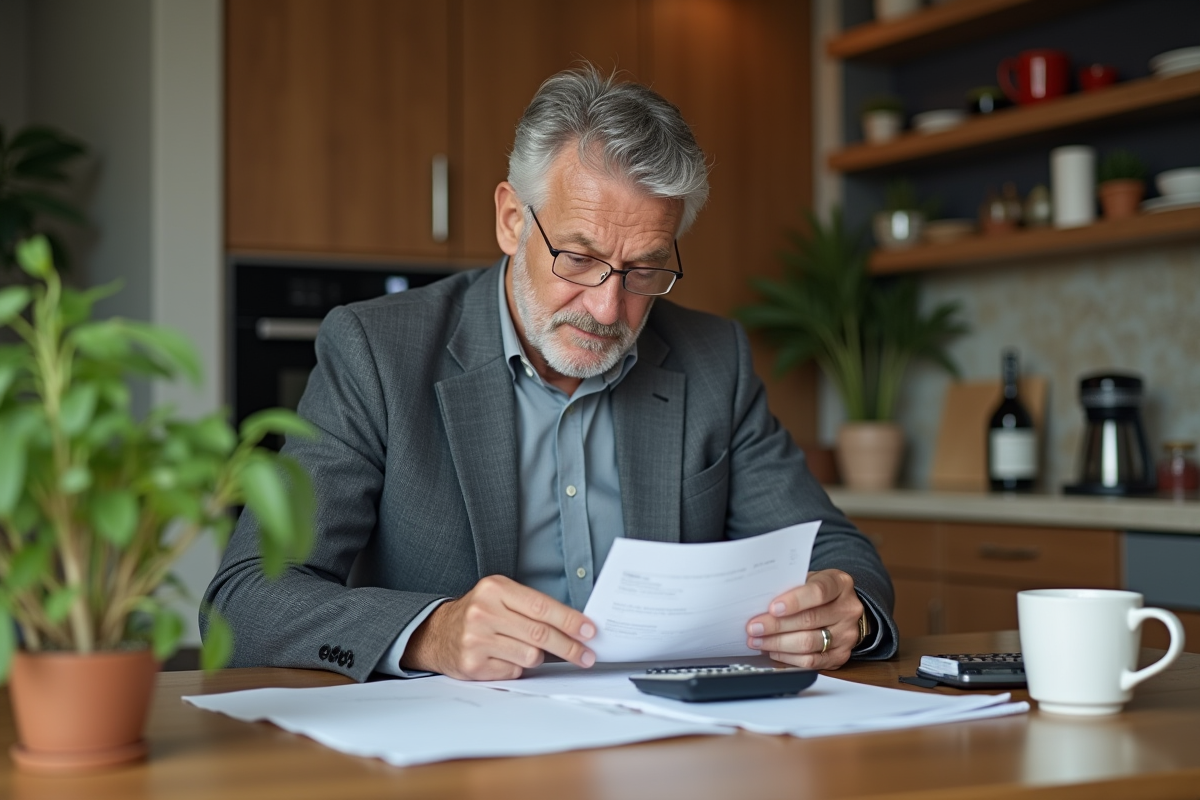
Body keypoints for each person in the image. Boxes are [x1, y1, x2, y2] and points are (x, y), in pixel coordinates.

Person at [203, 65, 897, 682]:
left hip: (669, 746)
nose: (606, 305)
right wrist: (430, 634)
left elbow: (834, 550)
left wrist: (844, 607)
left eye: (645, 269)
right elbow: (246, 600)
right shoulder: (376, 353)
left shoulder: (713, 358)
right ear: (511, 220)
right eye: (578, 256)